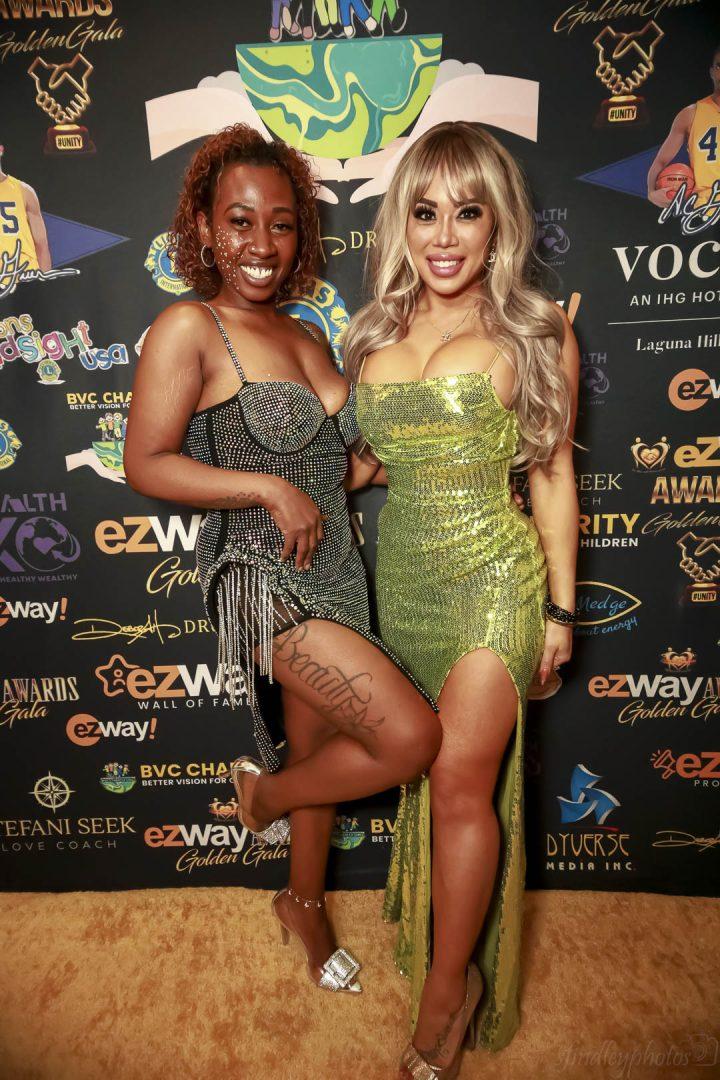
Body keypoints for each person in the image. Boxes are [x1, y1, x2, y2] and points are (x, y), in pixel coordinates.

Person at [123, 124, 441, 995]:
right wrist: (265, 488)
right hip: (260, 580)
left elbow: (339, 470)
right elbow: (145, 462)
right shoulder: (189, 326)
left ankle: (302, 902)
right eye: (240, 221)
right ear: (203, 225)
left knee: (322, 745)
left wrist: (449, 462)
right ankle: (260, 798)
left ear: (302, 234)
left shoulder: (306, 333)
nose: (261, 244)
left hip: (336, 570)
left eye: (281, 223)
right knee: (409, 739)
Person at [344, 120, 580, 1076]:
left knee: (459, 787)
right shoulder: (370, 333)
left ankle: (451, 991)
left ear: (497, 224)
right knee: (427, 775)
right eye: (426, 212)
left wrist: (559, 611)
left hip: (493, 578)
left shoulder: (536, 329)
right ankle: (450, 966)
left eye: (467, 213)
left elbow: (553, 476)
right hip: (402, 582)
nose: (445, 236)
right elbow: (367, 464)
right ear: (402, 222)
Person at [647, 44, 720, 208]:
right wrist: (651, 192)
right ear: (711, 72)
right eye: (719, 66)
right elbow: (661, 161)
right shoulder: (690, 114)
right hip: (704, 209)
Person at [0, 143, 52, 273]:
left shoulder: (24, 190)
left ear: (1, 150)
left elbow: (41, 244)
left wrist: (45, 282)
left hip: (24, 275)